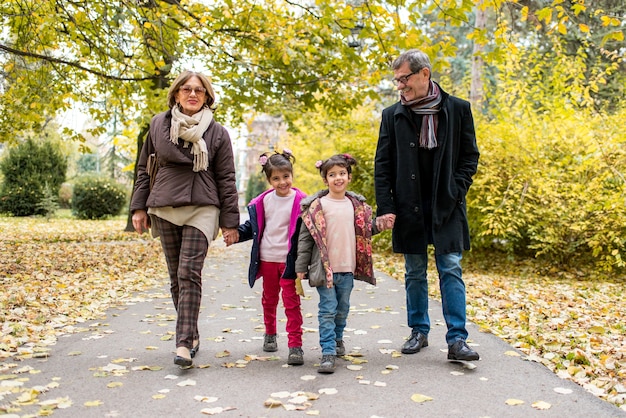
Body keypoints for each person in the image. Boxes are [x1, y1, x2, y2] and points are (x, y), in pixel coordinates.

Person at [374, 49, 481, 362]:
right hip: (409, 205)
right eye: (397, 80)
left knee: (451, 268)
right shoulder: (392, 115)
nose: (400, 86)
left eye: (404, 78)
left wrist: (456, 189)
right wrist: (386, 206)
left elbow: (469, 157)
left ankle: (457, 340)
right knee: (415, 271)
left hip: (446, 203)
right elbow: (383, 165)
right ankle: (418, 331)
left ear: (424, 74)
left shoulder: (458, 109)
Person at [130, 70, 240, 368]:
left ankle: (181, 344)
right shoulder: (158, 125)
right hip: (164, 206)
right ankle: (190, 333)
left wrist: (230, 221)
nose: (193, 94)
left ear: (208, 97)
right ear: (176, 94)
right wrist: (138, 207)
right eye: (187, 89)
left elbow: (227, 179)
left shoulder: (217, 133)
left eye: (199, 91)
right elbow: (144, 169)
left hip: (203, 207)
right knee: (175, 276)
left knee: (188, 272)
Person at [296, 154, 384, 374]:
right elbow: (305, 240)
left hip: (347, 267)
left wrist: (380, 226)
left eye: (342, 173)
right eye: (332, 174)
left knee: (342, 309)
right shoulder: (317, 207)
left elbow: (365, 231)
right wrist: (300, 267)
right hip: (324, 268)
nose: (338, 178)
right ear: (325, 180)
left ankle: (337, 339)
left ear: (349, 177)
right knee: (327, 309)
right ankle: (327, 352)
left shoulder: (356, 206)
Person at [225, 150, 307, 366]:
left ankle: (295, 345)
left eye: (286, 176)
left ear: (292, 175)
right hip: (267, 259)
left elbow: (312, 232)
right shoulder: (262, 202)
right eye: (276, 178)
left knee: (292, 303)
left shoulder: (302, 202)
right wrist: (235, 236)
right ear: (269, 180)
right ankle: (270, 333)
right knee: (269, 299)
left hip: (289, 261)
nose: (282, 182)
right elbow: (252, 227)